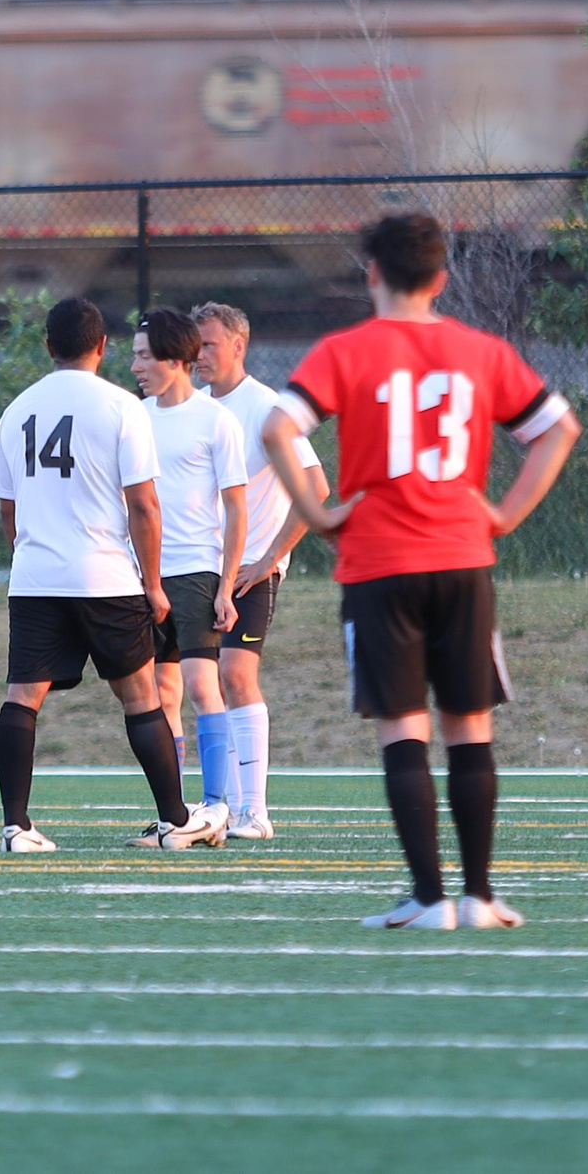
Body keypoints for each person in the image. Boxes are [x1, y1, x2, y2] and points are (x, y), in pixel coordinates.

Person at [265, 213, 579, 930]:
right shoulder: (482, 350)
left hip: (379, 564)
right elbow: (558, 428)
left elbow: (277, 428)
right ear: (440, 279)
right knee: (469, 729)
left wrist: (317, 513)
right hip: (463, 559)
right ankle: (480, 896)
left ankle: (429, 899)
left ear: (371, 271)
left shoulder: (344, 350)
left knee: (403, 730)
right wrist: (505, 514)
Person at [0, 297, 225, 852]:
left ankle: (17, 827)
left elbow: (6, 507)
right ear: (102, 346)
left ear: (49, 346)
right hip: (104, 576)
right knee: (140, 696)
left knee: (22, 697)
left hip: (36, 578)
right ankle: (174, 821)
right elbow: (144, 505)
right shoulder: (123, 407)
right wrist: (154, 584)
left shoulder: (17, 409)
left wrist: (29, 554)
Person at [195, 300, 329, 840]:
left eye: (209, 344)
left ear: (238, 345)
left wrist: (269, 558)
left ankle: (255, 812)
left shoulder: (266, 407)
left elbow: (316, 488)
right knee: (197, 683)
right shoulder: (194, 408)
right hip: (199, 571)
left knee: (235, 674)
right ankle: (217, 809)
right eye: (195, 345)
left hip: (249, 572)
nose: (199, 355)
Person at [131, 307, 248, 831]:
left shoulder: (215, 419)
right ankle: (177, 813)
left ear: (174, 359)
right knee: (161, 691)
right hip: (144, 573)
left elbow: (237, 508)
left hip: (197, 570)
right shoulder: (134, 417)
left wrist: (226, 586)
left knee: (202, 684)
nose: (135, 366)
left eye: (143, 356)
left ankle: (217, 804)